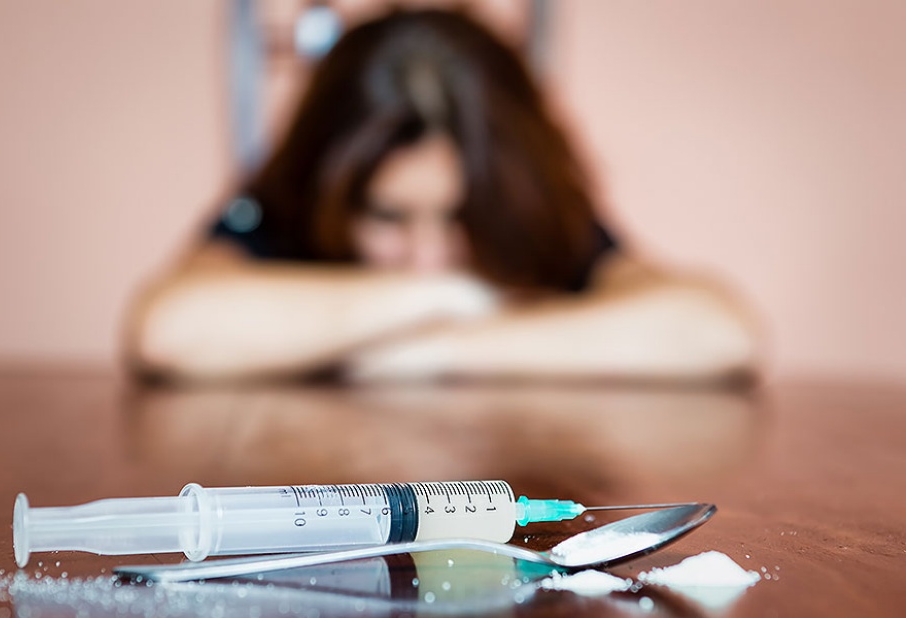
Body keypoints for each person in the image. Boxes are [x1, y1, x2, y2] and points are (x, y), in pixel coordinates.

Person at [124, 9, 758, 383]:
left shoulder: (530, 218)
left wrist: (429, 346)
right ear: (330, 189)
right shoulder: (284, 210)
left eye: (459, 217)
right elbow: (166, 329)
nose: (427, 255)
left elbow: (719, 331)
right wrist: (447, 296)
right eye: (387, 216)